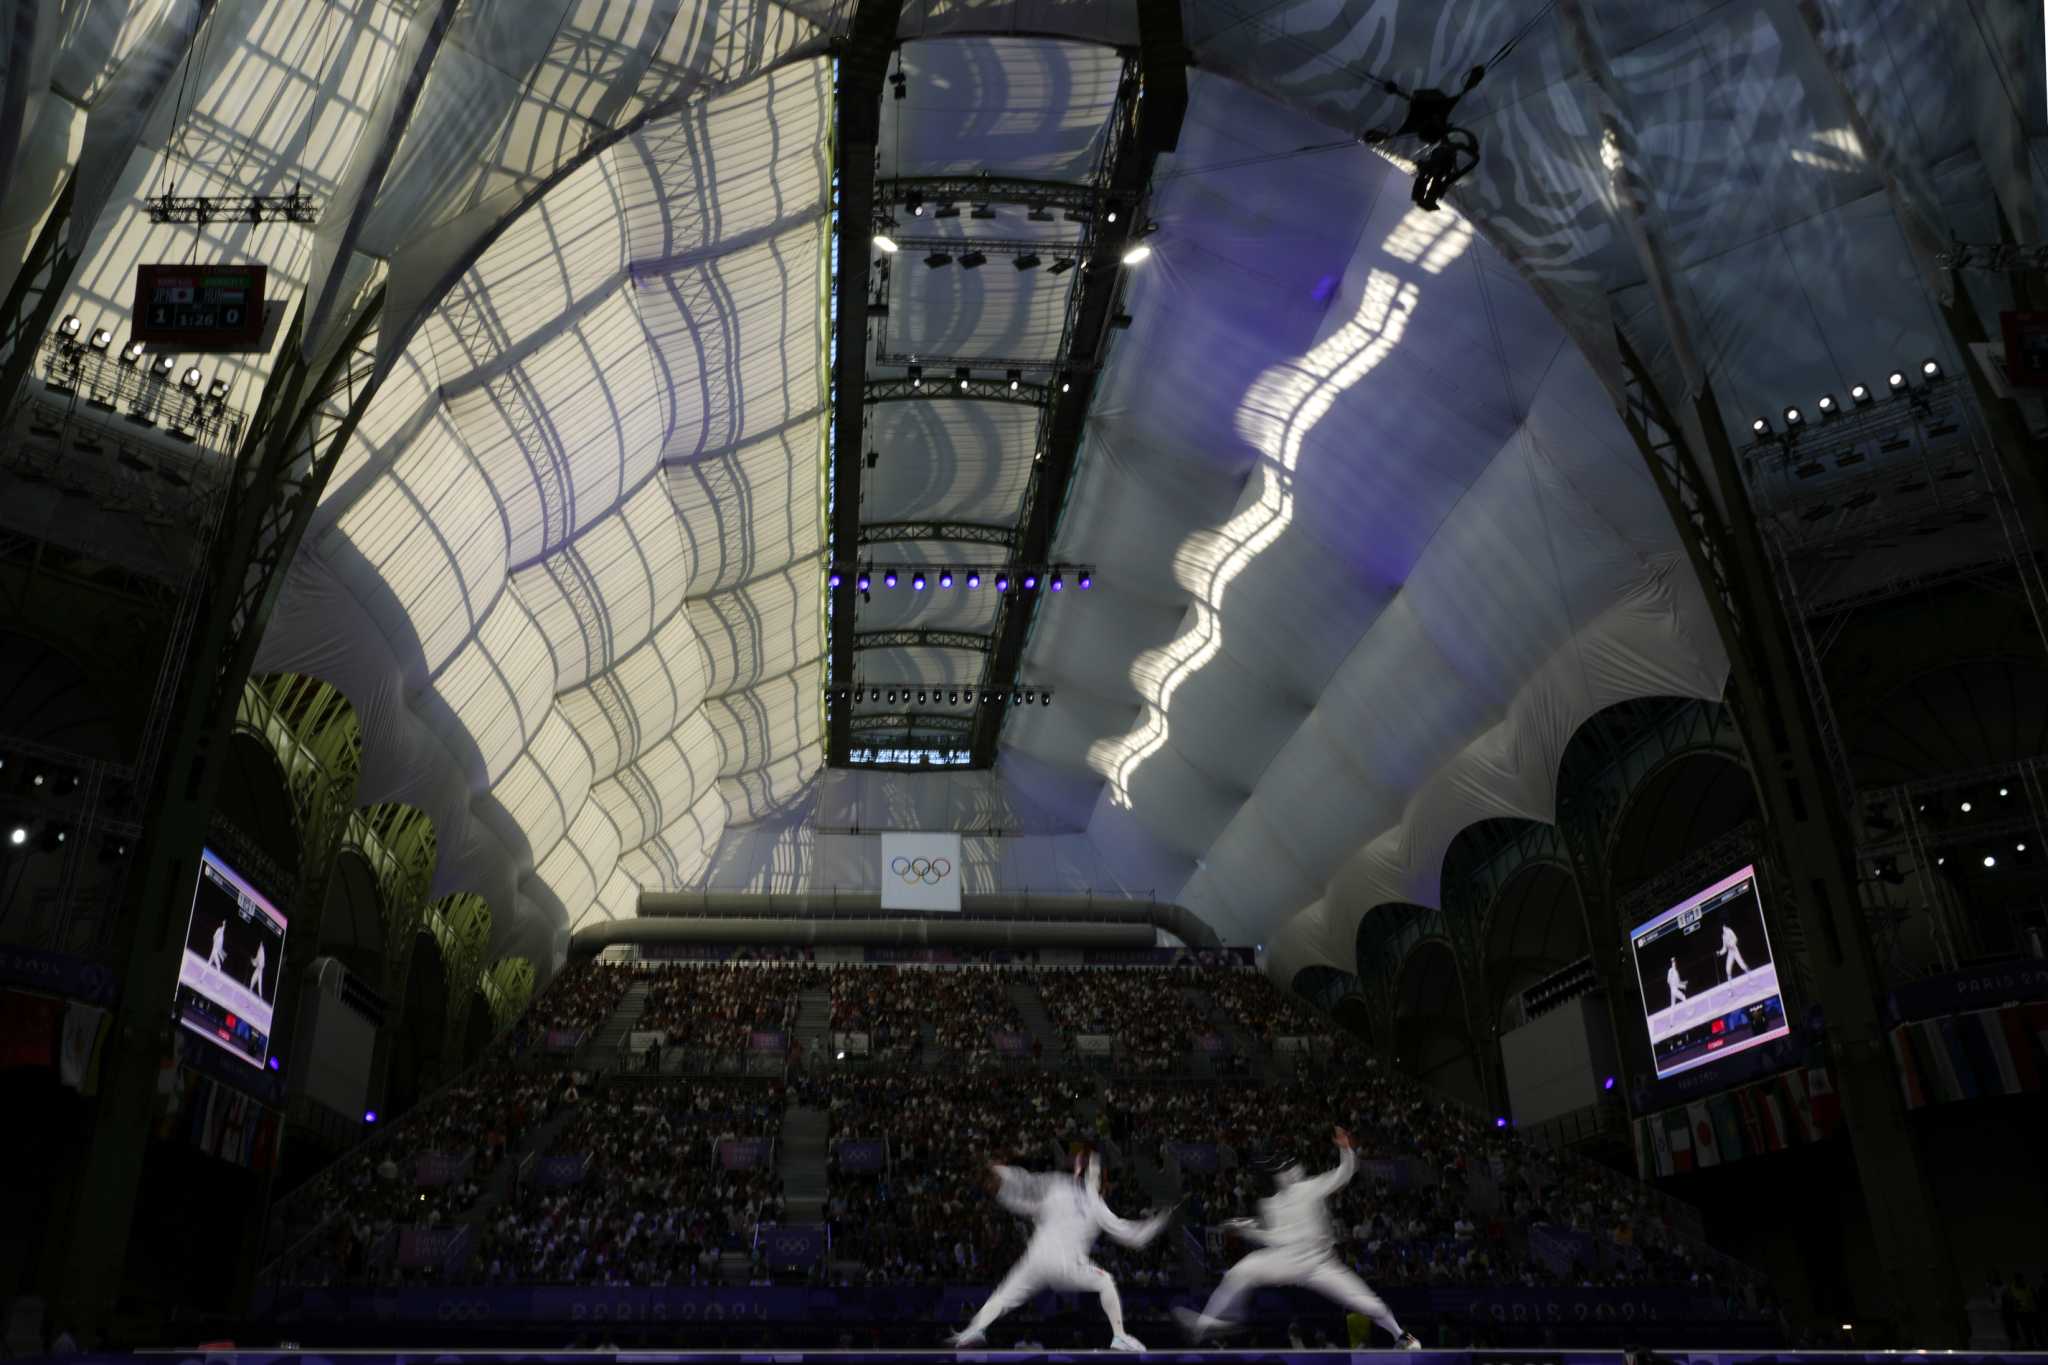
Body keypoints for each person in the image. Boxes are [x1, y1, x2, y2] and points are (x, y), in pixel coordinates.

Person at [1174, 1127, 1421, 1350]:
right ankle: (1209, 1322)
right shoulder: (1270, 1204)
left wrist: (1346, 1149)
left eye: (1289, 1168)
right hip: (1288, 1260)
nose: (1290, 1172)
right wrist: (1248, 1229)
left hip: (1320, 1264)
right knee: (1240, 1271)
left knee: (1369, 1304)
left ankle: (1404, 1337)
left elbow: (1344, 1173)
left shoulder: (1310, 1187)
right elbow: (1276, 1239)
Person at [950, 1146, 1173, 1351]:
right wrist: (1160, 1221)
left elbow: (1025, 1187)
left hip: (1037, 1259)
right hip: (1067, 1265)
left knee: (1004, 1295)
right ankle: (1119, 1336)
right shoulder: (1097, 1206)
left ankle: (971, 1331)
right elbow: (1132, 1236)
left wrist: (999, 1173)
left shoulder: (1058, 1186)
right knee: (1105, 1281)